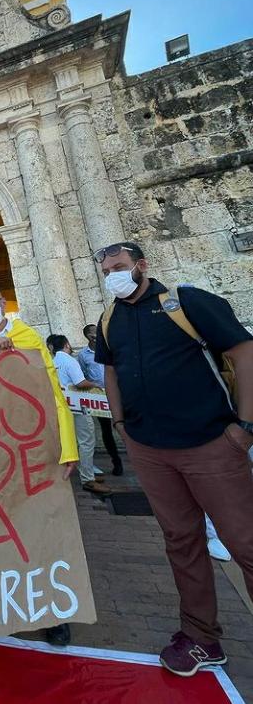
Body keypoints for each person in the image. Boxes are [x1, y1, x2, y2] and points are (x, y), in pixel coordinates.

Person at [94, 241, 253, 677]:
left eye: (120, 267)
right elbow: (110, 369)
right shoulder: (109, 321)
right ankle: (202, 636)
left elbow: (245, 351)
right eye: (106, 270)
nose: (113, 276)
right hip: (150, 448)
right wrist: (122, 423)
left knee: (245, 542)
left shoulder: (187, 302)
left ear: (142, 265)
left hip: (210, 443)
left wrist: (245, 427)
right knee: (181, 541)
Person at [0, 286, 79, 648]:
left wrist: (67, 447)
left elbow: (52, 391)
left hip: (32, 447)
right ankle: (4, 603)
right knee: (0, 532)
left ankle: (54, 612)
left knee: (42, 528)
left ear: (3, 305)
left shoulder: (27, 336)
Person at [47, 334, 111, 496]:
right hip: (77, 407)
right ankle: (88, 478)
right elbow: (80, 383)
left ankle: (84, 471)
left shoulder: (51, 363)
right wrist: (96, 385)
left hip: (61, 408)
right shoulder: (69, 361)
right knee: (86, 440)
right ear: (67, 345)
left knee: (70, 441)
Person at [78, 325, 123, 476]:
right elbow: (84, 374)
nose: (95, 336)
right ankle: (116, 461)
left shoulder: (109, 347)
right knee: (106, 430)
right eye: (92, 334)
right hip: (99, 395)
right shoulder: (83, 355)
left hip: (118, 391)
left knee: (124, 424)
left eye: (96, 333)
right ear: (87, 337)